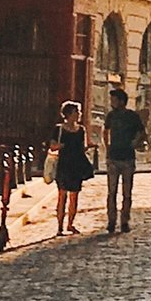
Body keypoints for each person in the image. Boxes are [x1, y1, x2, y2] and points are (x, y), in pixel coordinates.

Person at [48, 100, 94, 235]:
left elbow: (84, 145)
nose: (79, 114)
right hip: (64, 164)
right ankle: (60, 226)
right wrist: (62, 146)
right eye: (76, 112)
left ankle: (70, 224)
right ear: (68, 114)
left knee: (74, 196)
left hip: (77, 165)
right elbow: (52, 145)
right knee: (62, 195)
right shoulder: (59, 129)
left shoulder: (81, 130)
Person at [101, 82, 143, 234]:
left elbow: (140, 131)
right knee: (111, 192)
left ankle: (124, 221)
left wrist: (134, 142)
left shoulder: (132, 116)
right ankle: (111, 221)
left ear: (121, 101)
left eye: (114, 100)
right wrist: (107, 146)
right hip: (113, 157)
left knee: (127, 192)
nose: (112, 102)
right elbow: (105, 131)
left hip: (127, 158)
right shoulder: (111, 116)